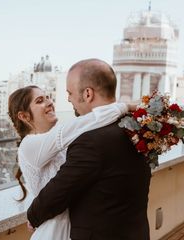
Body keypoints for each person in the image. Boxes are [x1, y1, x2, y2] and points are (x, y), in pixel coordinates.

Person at [26, 59, 152, 240]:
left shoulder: (91, 141)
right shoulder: (136, 130)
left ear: (87, 94)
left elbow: (59, 191)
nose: (68, 99)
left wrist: (33, 216)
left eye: (70, 93)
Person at [8, 82, 131, 239]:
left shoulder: (62, 142)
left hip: (80, 225)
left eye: (47, 97)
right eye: (40, 101)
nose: (49, 102)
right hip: (56, 231)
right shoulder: (28, 145)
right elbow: (81, 124)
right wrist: (124, 107)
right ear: (24, 116)